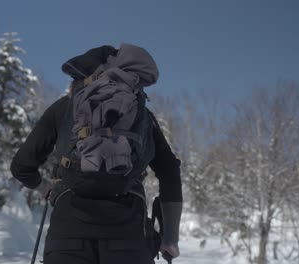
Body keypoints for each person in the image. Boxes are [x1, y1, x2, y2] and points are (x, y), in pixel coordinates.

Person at [10, 44, 182, 264]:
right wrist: (171, 239)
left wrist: (46, 188)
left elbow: (21, 166)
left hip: (67, 235)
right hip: (129, 237)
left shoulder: (64, 108)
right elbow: (169, 170)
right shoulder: (142, 116)